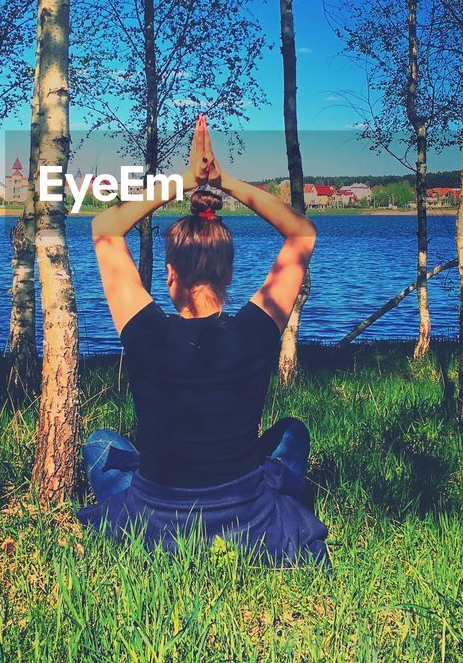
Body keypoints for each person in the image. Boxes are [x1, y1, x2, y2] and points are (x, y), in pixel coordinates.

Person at [76, 115, 328, 565]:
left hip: (155, 522)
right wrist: (225, 181)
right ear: (229, 275)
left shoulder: (145, 332)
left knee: (99, 444)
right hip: (246, 521)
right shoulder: (255, 330)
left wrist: (183, 181)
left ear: (170, 276)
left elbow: (105, 230)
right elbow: (301, 233)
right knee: (293, 432)